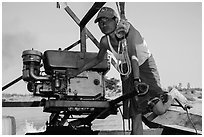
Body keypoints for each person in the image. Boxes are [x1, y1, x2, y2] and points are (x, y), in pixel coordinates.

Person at [66, 7, 189, 135]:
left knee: (159, 110)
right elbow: (98, 59)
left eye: (106, 20)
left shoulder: (128, 31)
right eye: (100, 22)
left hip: (144, 65)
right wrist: (77, 72)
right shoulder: (105, 41)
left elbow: (134, 57)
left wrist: (136, 81)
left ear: (115, 20)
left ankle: (172, 95)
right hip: (127, 70)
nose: (103, 24)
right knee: (135, 112)